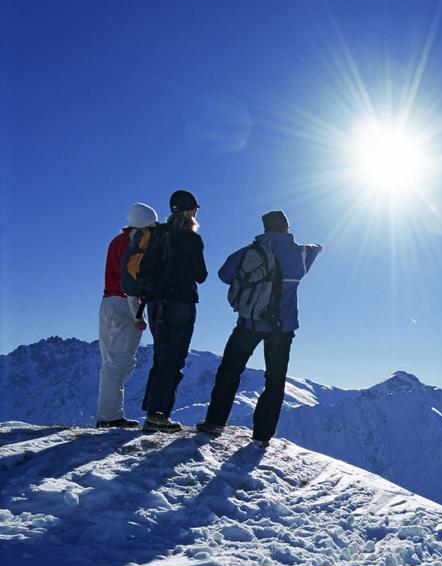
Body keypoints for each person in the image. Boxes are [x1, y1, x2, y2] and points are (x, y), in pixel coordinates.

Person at [197, 210, 322, 446]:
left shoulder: (251, 252)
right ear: (287, 226)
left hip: (249, 322)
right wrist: (317, 246)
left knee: (230, 371)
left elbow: (224, 275)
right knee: (275, 379)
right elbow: (314, 249)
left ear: (265, 228)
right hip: (282, 327)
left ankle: (214, 422)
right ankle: (262, 435)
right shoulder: (300, 254)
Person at [140, 189, 208, 433]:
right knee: (174, 357)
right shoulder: (191, 239)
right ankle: (158, 416)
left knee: (160, 355)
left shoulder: (157, 234)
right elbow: (201, 275)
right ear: (190, 211)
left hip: (154, 304)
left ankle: (153, 412)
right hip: (180, 303)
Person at [96, 203, 159, 428]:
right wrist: (137, 316)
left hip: (108, 303)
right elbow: (131, 283)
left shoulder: (117, 241)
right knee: (120, 362)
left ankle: (109, 413)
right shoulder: (135, 244)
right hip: (124, 304)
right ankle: (109, 417)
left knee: (112, 361)